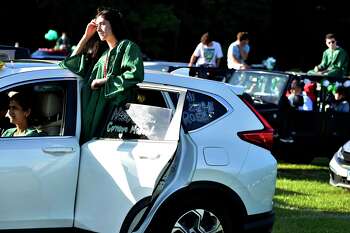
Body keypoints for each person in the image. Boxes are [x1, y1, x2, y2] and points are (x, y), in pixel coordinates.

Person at [59, 7, 144, 143]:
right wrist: (86, 36)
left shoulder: (127, 47)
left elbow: (135, 74)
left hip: (111, 120)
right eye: (97, 25)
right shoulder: (102, 56)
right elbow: (69, 64)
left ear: (114, 24)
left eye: (102, 24)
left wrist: (103, 81)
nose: (98, 28)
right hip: (91, 116)